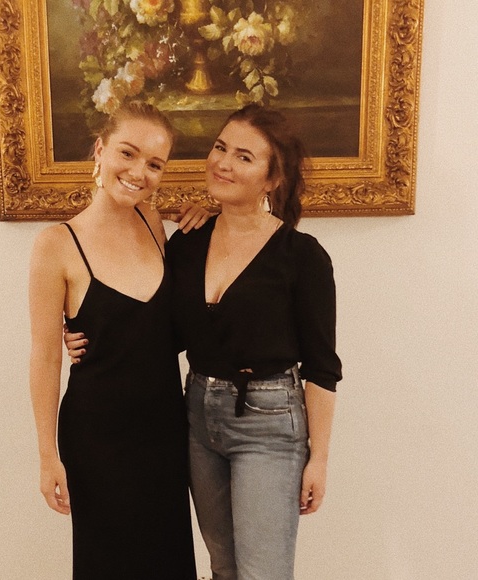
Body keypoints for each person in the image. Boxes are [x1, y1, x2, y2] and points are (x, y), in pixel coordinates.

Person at [66, 104, 342, 580]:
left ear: (272, 179)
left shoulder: (301, 256)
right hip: (197, 417)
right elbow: (158, 328)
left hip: (270, 424)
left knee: (262, 573)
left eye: (244, 157)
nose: (223, 163)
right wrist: (87, 332)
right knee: (222, 568)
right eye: (220, 148)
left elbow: (322, 368)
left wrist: (319, 459)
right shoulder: (188, 242)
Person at [29, 101, 204, 579]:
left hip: (165, 430)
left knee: (168, 562)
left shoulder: (154, 223)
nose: (138, 172)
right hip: (97, 438)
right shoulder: (56, 244)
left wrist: (204, 215)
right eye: (127, 153)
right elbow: (44, 357)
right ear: (100, 150)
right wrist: (48, 457)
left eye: (154, 164)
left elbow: (163, 325)